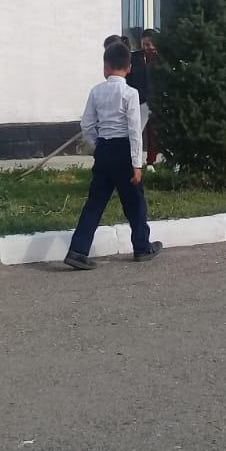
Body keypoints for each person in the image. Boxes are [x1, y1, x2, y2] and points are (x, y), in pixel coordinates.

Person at [62, 41, 163, 270]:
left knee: (94, 203)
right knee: (135, 202)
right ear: (129, 67)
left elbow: (87, 124)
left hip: (104, 149)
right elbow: (134, 131)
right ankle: (141, 246)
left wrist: (98, 145)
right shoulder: (130, 94)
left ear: (105, 66)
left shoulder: (96, 91)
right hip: (124, 151)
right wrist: (137, 164)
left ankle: (77, 251)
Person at [130, 28, 162, 167]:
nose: (147, 48)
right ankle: (134, 162)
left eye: (149, 44)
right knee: (136, 132)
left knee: (154, 132)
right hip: (138, 100)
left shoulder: (163, 59)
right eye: (144, 44)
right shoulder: (134, 58)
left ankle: (151, 162)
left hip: (157, 100)